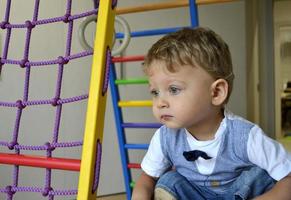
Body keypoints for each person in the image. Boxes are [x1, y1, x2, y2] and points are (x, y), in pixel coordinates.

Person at [131, 27, 291, 200]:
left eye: (174, 89)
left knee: (260, 176)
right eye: (155, 92)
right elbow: (147, 178)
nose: (160, 102)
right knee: (169, 180)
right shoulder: (165, 138)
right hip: (195, 195)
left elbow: (288, 177)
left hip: (241, 195)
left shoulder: (246, 136)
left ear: (216, 93)